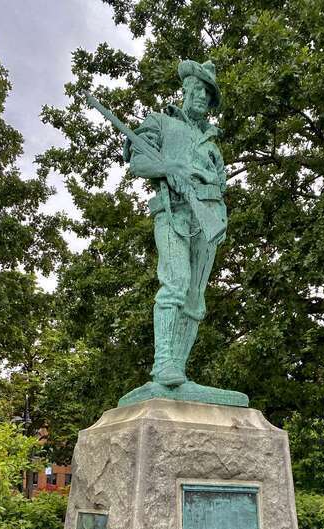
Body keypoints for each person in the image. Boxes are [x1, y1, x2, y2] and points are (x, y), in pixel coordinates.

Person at [123, 60, 227, 387]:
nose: (201, 96)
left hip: (209, 215)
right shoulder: (160, 122)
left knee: (195, 297)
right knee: (176, 281)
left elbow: (220, 182)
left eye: (207, 93)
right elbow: (138, 161)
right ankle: (162, 364)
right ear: (185, 90)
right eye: (196, 89)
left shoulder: (211, 140)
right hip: (173, 211)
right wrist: (168, 169)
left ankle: (177, 372)